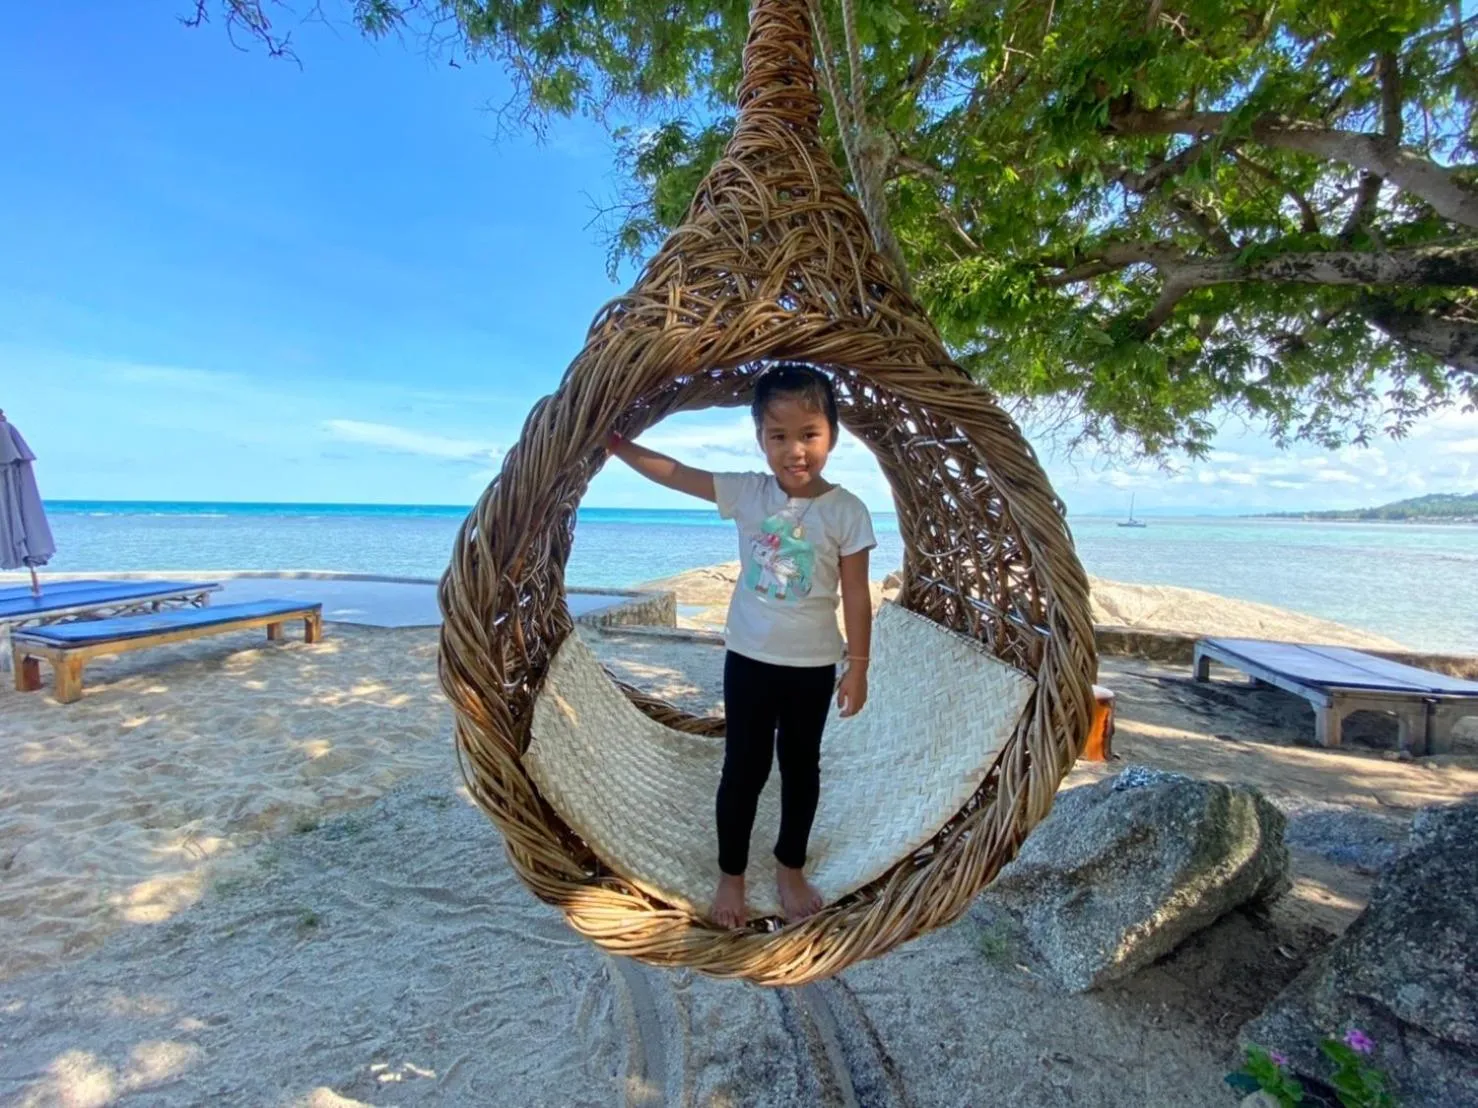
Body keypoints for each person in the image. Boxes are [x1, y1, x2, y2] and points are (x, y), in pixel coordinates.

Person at [605, 363, 876, 927]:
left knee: (802, 769)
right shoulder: (748, 493)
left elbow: (855, 594)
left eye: (809, 434)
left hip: (813, 666)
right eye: (778, 437)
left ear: (833, 434)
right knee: (744, 767)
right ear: (759, 439)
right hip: (749, 662)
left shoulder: (847, 511)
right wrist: (617, 445)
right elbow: (678, 473)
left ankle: (790, 868)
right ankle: (732, 875)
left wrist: (859, 665)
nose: (794, 450)